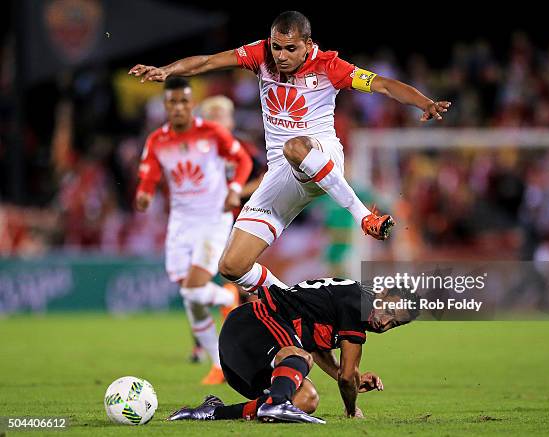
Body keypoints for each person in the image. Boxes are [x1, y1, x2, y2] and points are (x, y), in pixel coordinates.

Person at [129, 10, 451, 296]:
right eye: (276, 47)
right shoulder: (260, 55)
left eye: (290, 48)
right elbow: (210, 61)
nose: (281, 56)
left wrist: (424, 102)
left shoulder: (329, 66)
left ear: (308, 44)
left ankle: (363, 216)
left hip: (321, 155)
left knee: (295, 145)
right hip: (282, 172)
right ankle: (294, 305)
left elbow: (381, 84)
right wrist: (167, 70)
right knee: (232, 265)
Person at [167, 277, 418, 423]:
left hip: (243, 362)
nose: (384, 322)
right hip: (252, 323)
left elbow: (322, 351)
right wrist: (351, 409)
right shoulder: (357, 304)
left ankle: (213, 411)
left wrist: (354, 378)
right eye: (390, 311)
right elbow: (345, 376)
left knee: (306, 400)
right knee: (299, 356)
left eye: (393, 324)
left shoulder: (348, 299)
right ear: (382, 293)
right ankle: (275, 402)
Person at [135, 77, 253, 384]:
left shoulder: (212, 133)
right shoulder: (157, 141)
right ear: (166, 106)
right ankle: (219, 363)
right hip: (181, 223)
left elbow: (242, 160)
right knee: (190, 296)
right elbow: (149, 174)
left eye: (184, 102)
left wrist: (235, 188)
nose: (178, 108)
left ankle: (228, 298)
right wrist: (145, 193)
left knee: (192, 289)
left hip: (213, 219)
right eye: (172, 103)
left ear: (192, 104)